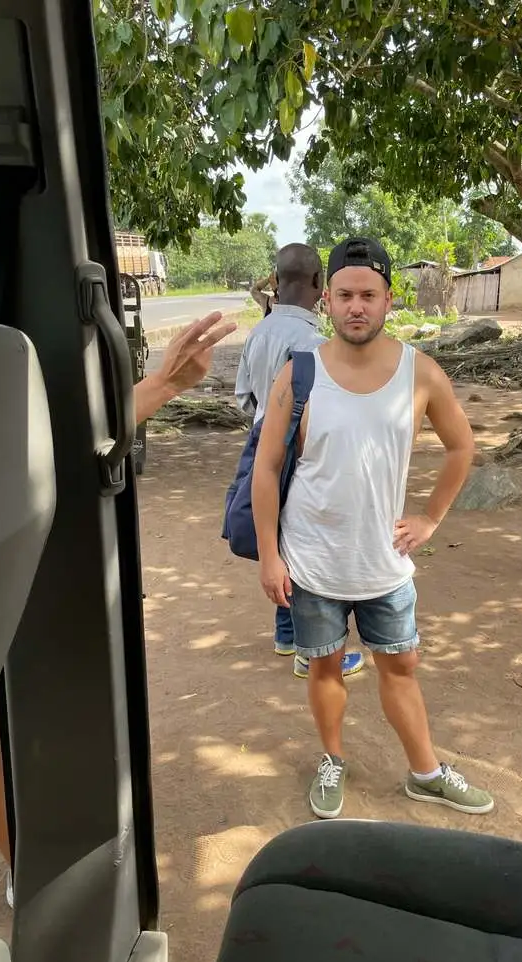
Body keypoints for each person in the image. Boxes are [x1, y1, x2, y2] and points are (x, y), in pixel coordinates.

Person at [0, 309, 238, 908]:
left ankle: (32, 873)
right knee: (0, 746)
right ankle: (29, 879)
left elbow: (60, 444)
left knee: (14, 736)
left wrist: (164, 385)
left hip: (15, 579)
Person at [252, 237, 494, 820]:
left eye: (368, 295)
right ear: (327, 301)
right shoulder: (300, 373)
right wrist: (269, 555)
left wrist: (430, 517)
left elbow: (461, 446)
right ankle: (332, 760)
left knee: (401, 667)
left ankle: (426, 773)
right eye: (344, 295)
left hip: (385, 561)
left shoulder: (420, 372)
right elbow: (266, 467)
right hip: (312, 560)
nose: (356, 306)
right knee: (325, 666)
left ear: (389, 300)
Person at [235, 243, 365, 680]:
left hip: (260, 443)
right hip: (301, 451)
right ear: (318, 283)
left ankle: (287, 634)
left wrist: (265, 426)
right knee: (305, 541)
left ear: (275, 281)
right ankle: (312, 650)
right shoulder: (316, 344)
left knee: (280, 538)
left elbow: (244, 398)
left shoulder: (258, 333)